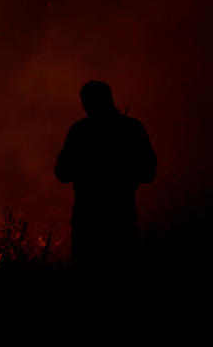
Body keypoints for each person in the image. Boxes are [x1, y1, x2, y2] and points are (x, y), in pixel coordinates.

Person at [55, 81, 156, 270]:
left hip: (88, 219)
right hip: (121, 217)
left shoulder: (79, 131)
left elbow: (62, 173)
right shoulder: (132, 128)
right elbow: (148, 171)